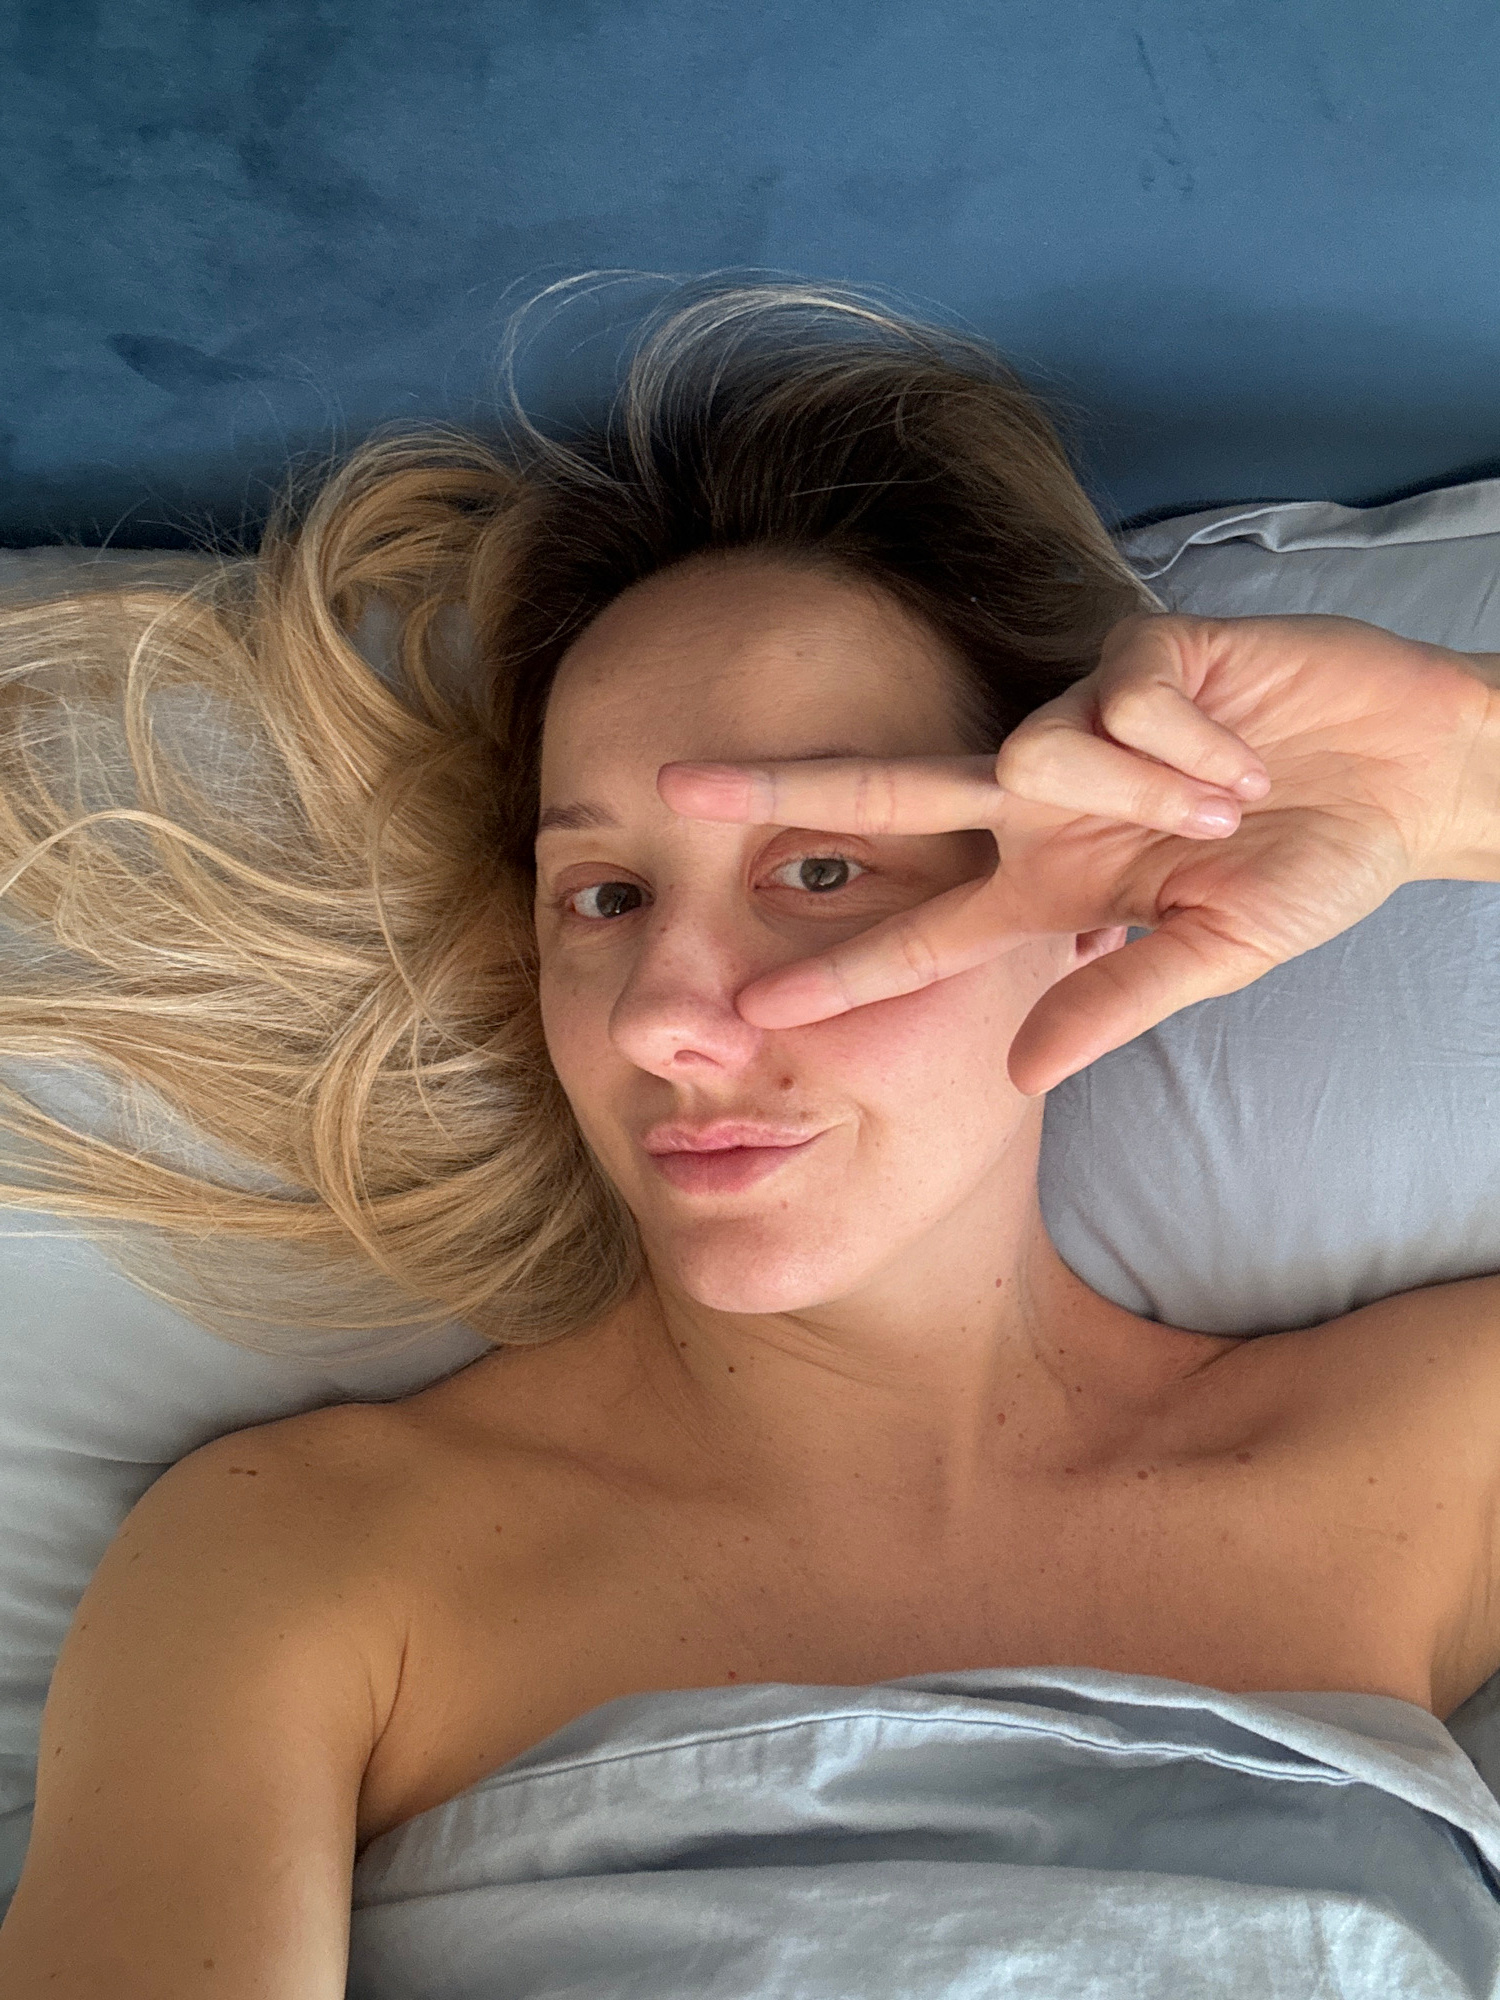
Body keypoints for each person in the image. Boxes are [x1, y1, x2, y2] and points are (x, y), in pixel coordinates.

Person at [0, 279, 1497, 1994]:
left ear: (1093, 902)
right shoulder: (303, 1560)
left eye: (819, 869)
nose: (662, 1015)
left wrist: (1467, 772)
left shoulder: (1428, 1455)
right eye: (605, 896)